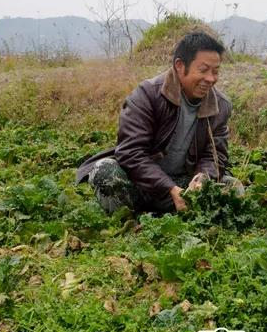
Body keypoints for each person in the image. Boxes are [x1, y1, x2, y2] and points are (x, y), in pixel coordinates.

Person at [76, 31, 241, 215]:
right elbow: (131, 153)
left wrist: (202, 180)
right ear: (180, 66)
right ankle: (141, 218)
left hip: (183, 183)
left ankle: (162, 213)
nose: (211, 78)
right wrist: (169, 188)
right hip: (142, 182)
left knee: (233, 187)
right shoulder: (147, 95)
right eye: (203, 70)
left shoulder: (220, 105)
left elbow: (215, 157)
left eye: (215, 71)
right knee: (104, 172)